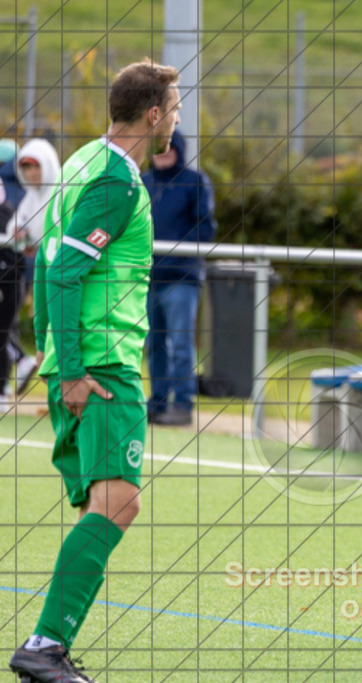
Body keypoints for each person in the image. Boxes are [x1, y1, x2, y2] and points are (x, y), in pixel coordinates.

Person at [8, 59, 180, 683]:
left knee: (109, 505)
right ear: (153, 113)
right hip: (102, 363)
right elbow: (60, 272)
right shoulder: (117, 181)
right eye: (175, 107)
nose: (178, 120)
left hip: (78, 359)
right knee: (117, 503)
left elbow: (53, 262)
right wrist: (75, 370)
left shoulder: (83, 160)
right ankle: (45, 645)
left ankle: (47, 644)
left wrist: (56, 360)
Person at [142, 128, 217, 426]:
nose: (162, 155)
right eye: (158, 149)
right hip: (149, 278)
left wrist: (171, 252)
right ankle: (158, 402)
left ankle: (183, 405)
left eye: (168, 149)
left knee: (181, 342)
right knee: (153, 344)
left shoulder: (194, 182)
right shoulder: (144, 183)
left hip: (181, 278)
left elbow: (205, 229)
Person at [4, 138, 62, 397]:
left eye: (35, 167)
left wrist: (35, 241)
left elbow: (60, 231)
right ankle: (56, 391)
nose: (31, 174)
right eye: (26, 168)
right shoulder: (30, 197)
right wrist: (20, 234)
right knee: (45, 329)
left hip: (63, 276)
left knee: (62, 330)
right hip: (41, 273)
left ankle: (67, 388)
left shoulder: (61, 192)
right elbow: (14, 229)